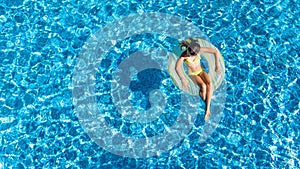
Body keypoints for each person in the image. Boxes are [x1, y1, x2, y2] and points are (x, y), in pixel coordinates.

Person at [175, 39, 221, 120]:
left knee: (209, 84)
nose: (192, 56)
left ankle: (207, 108)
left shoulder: (198, 50)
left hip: (201, 71)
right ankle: (208, 109)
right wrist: (182, 79)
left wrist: (217, 65)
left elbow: (216, 52)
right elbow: (177, 67)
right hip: (192, 74)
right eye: (191, 54)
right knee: (203, 86)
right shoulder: (184, 55)